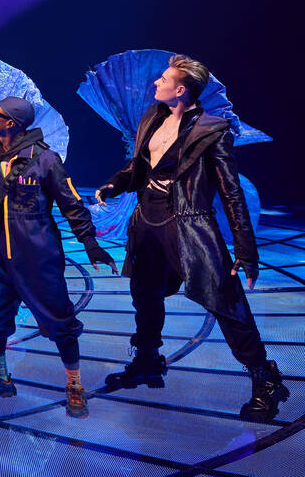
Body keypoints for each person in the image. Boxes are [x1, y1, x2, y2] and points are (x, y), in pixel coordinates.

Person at [95, 55, 289, 422]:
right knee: (145, 295)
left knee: (224, 300)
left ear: (181, 90)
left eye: (164, 79)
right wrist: (116, 183)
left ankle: (266, 379)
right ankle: (148, 360)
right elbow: (140, 165)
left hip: (189, 225)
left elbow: (230, 192)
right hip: (147, 220)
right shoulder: (153, 117)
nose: (156, 83)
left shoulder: (212, 130)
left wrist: (246, 249)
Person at [0, 96, 116, 418]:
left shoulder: (44, 159)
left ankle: (74, 385)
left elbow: (71, 203)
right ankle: (1, 378)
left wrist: (90, 243)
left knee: (60, 320)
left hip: (38, 255)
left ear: (11, 123)